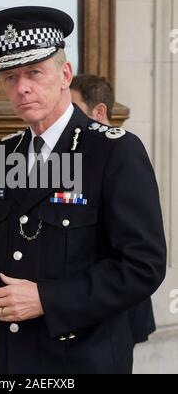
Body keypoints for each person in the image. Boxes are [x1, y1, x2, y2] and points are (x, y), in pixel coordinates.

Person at [0, 6, 167, 374]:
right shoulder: (5, 153)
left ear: (65, 74)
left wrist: (47, 299)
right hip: (16, 356)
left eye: (34, 72)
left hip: (86, 357)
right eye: (10, 76)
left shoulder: (113, 150)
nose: (22, 88)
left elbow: (144, 265)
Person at [70, 74, 157, 345]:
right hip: (82, 307)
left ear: (99, 112)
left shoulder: (124, 152)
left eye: (72, 109)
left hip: (119, 304)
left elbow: (141, 253)